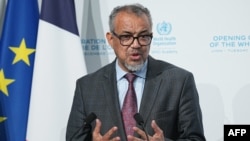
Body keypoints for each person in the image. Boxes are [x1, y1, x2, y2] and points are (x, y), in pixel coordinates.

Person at [66, 3, 206, 141]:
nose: (136, 44)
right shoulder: (87, 87)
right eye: (126, 37)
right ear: (110, 39)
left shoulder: (179, 81)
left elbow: (195, 138)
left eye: (143, 36)